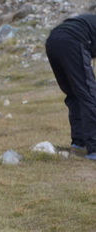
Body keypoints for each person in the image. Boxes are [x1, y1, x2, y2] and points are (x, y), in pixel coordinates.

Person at [45, 13, 96, 159]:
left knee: (75, 94)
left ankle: (79, 142)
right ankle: (94, 148)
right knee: (88, 94)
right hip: (74, 41)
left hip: (53, 41)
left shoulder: (90, 22)